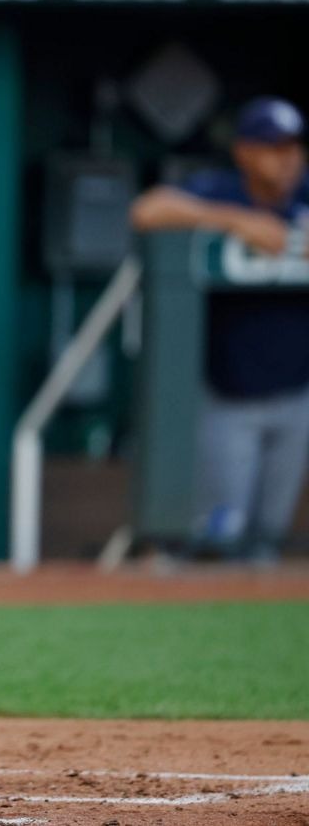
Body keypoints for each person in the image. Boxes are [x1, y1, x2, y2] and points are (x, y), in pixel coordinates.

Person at [130, 95, 309, 562]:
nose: (288, 158)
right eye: (274, 147)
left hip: (298, 393)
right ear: (245, 151)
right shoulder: (222, 190)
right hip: (229, 392)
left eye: (294, 147)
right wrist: (237, 221)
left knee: (269, 535)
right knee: (221, 532)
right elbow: (148, 211)